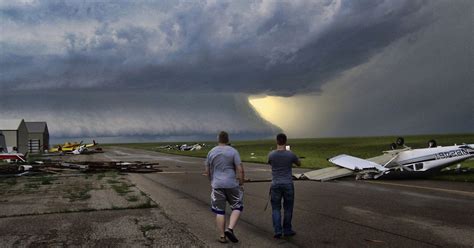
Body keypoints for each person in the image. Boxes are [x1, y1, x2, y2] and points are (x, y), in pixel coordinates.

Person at [204, 131, 245, 243]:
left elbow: (208, 171)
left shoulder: (211, 152)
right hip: (231, 183)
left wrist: (212, 182)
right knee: (237, 206)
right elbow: (240, 169)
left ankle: (222, 236)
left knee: (220, 211)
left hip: (217, 184)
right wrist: (241, 182)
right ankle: (230, 228)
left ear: (218, 139)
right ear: (227, 140)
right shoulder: (233, 151)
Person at [267, 133, 301, 238]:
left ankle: (277, 231)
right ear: (285, 142)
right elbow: (299, 163)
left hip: (276, 184)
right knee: (288, 208)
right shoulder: (290, 154)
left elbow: (270, 163)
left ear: (277, 141)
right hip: (288, 184)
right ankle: (287, 230)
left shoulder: (271, 154)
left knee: (276, 208)